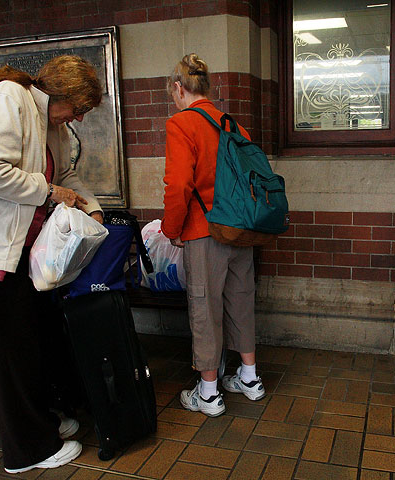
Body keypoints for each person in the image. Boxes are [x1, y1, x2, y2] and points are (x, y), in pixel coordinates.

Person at [0, 55, 104, 473]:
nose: (79, 120)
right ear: (59, 94)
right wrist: (48, 192)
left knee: (33, 339)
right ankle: (28, 449)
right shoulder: (7, 99)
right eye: (78, 109)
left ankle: (43, 418)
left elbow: (65, 178)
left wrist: (92, 208)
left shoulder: (53, 126)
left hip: (17, 250)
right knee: (9, 352)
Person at [161, 53, 265, 417]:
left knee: (205, 307)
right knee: (241, 299)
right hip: (241, 230)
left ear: (178, 88)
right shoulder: (233, 124)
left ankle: (208, 393)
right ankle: (249, 378)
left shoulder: (181, 124)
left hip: (203, 232)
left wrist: (170, 229)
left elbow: (178, 185)